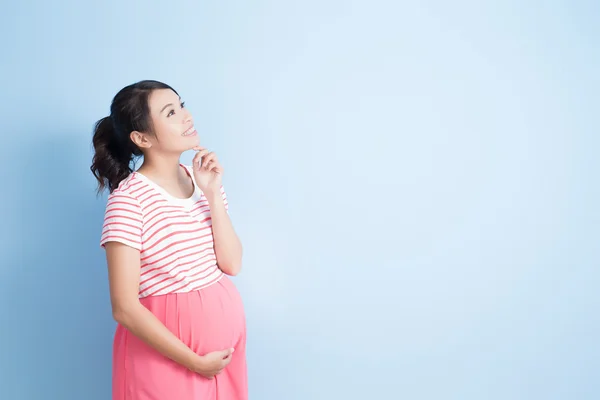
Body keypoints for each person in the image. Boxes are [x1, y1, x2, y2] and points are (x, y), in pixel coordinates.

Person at [90, 80, 247, 400]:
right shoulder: (129, 200)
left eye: (182, 105)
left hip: (222, 362)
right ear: (142, 137)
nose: (186, 116)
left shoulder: (200, 178)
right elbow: (124, 307)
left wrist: (213, 194)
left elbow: (231, 264)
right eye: (171, 112)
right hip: (168, 364)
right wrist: (194, 361)